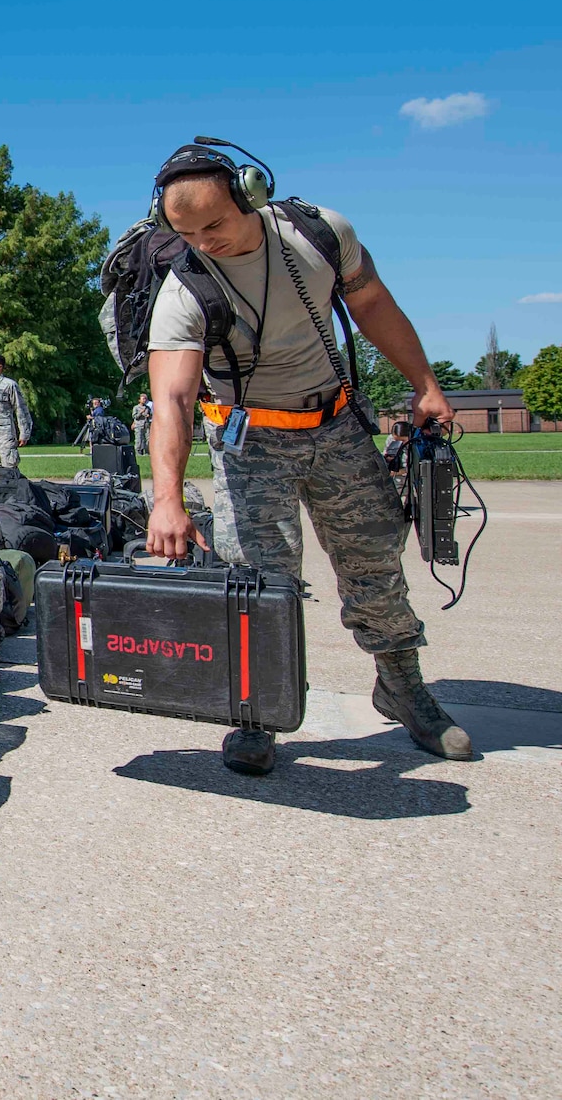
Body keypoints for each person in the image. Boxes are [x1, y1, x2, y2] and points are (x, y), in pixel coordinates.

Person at [143, 144, 470, 774]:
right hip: (250, 445)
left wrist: (425, 383)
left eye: (215, 224)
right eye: (186, 233)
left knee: (374, 560)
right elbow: (174, 400)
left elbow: (373, 303)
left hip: (336, 425)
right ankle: (257, 711)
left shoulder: (319, 233)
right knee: (260, 584)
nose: (204, 242)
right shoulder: (183, 287)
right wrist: (167, 499)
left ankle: (402, 685)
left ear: (252, 194)